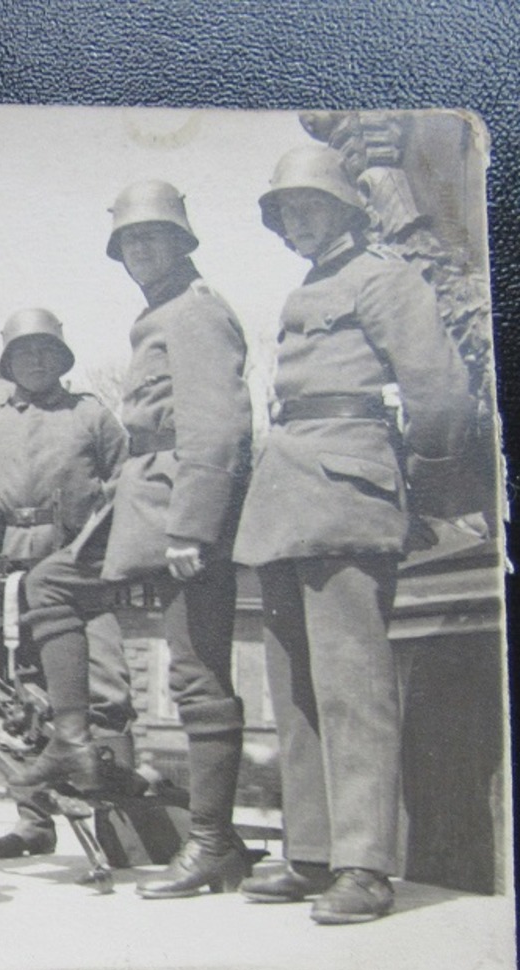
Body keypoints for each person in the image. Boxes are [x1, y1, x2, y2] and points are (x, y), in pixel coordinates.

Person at [233, 145, 476, 924]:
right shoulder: (309, 288)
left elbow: (440, 396)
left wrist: (424, 481)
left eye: (308, 206)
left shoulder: (382, 277)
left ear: (344, 208)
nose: (295, 221)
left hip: (346, 489)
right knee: (296, 686)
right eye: (285, 211)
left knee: (352, 688)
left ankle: (364, 866)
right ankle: (309, 851)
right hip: (283, 496)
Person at [17, 179, 254, 898]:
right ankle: (71, 743)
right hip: (142, 498)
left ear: (182, 242)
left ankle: (213, 843)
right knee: (48, 584)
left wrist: (193, 522)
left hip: (182, 505)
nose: (139, 251)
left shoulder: (195, 313)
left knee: (196, 675)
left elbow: (220, 426)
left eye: (152, 237)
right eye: (128, 242)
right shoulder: (159, 313)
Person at [0, 307, 134, 859]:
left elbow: (128, 481)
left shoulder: (92, 416)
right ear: (8, 363)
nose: (34, 360)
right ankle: (34, 820)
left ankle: (122, 829)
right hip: (12, 570)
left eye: (44, 351)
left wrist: (98, 531)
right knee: (20, 689)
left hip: (83, 565)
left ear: (60, 358)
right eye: (23, 352)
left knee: (105, 682)